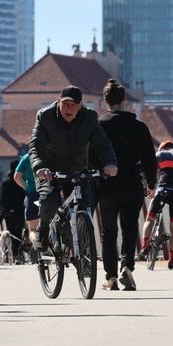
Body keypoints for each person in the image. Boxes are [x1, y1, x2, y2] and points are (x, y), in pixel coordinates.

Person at [28, 86, 118, 255]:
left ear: (80, 106)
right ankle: (44, 229)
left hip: (77, 170)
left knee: (84, 205)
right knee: (49, 200)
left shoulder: (89, 117)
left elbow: (102, 143)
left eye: (73, 105)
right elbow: (35, 147)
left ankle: (81, 252)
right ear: (58, 102)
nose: (68, 109)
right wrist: (40, 166)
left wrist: (110, 163)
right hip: (49, 170)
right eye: (65, 104)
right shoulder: (45, 116)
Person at [96, 78, 157, 291]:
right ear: (124, 101)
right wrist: (151, 182)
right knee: (130, 228)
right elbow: (150, 158)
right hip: (131, 185)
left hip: (106, 185)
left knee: (109, 231)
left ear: (105, 100)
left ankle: (110, 276)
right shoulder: (139, 127)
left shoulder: (99, 126)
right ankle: (127, 268)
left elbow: (92, 155)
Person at [141, 141, 173, 269]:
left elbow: (148, 169)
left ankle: (144, 247)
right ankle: (171, 260)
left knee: (150, 219)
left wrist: (148, 185)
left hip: (162, 190)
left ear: (162, 148)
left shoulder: (159, 154)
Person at [0, 160, 26, 264]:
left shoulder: (4, 182)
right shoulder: (20, 180)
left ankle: (13, 255)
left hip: (8, 212)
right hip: (18, 211)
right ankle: (16, 255)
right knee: (17, 234)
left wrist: (1, 213)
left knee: (11, 233)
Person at [14, 152, 41, 245]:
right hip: (48, 194)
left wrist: (27, 187)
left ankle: (37, 244)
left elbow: (16, 176)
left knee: (33, 230)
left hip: (33, 196)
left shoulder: (26, 157)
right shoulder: (48, 153)